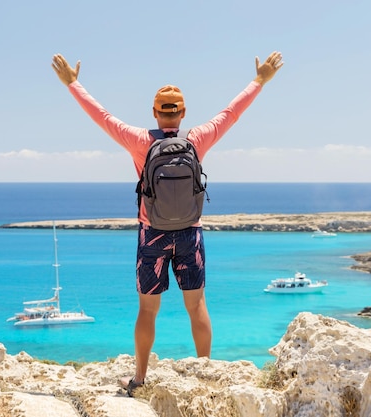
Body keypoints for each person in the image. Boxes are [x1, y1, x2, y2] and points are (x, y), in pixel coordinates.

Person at [51, 51, 283, 396]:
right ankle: (206, 374)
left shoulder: (139, 141)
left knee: (148, 309)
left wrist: (72, 83)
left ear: (155, 112)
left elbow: (100, 116)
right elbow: (231, 113)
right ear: (184, 113)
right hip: (190, 233)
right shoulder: (197, 138)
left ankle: (140, 378)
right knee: (197, 306)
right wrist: (260, 80)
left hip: (152, 234)